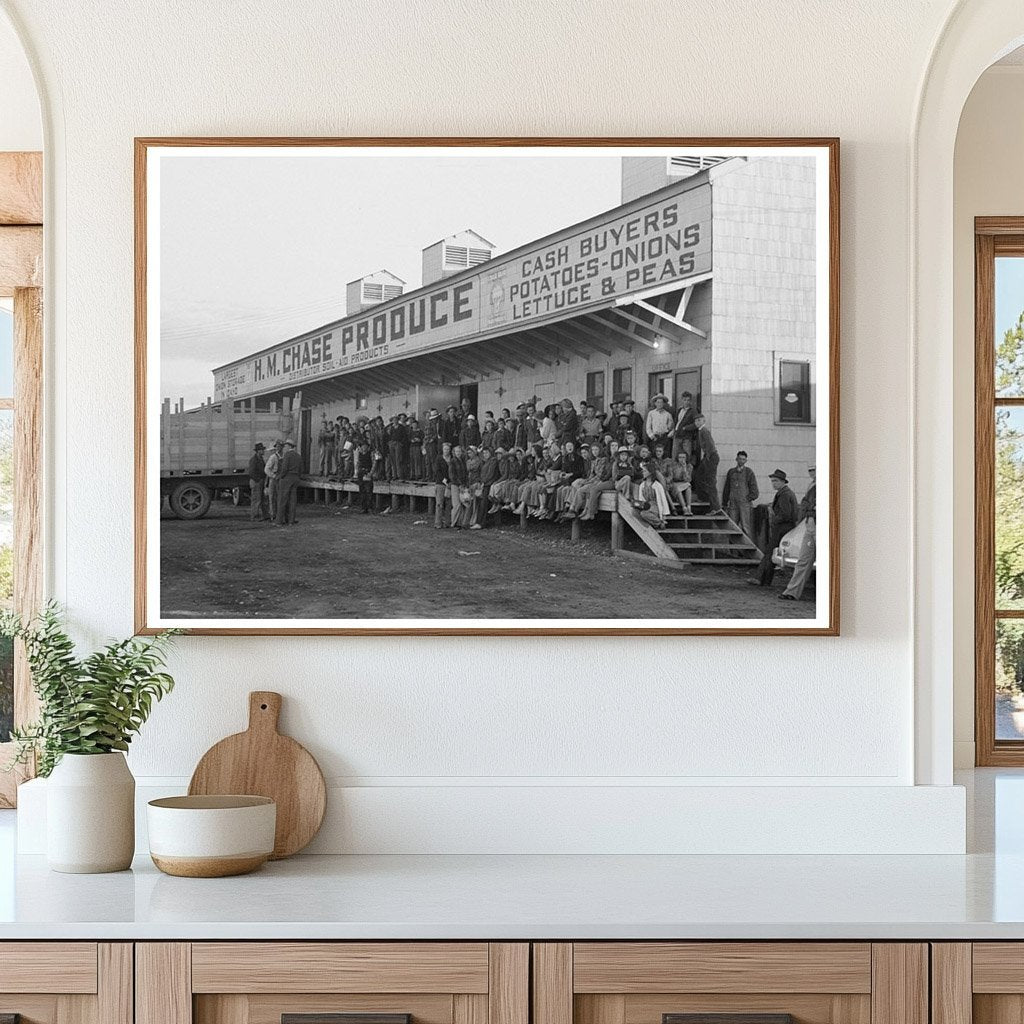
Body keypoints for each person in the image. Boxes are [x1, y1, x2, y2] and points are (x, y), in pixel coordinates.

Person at [752, 468, 799, 587]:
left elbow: (785, 514)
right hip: (785, 527)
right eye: (772, 481)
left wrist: (774, 520)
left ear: (783, 482)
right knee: (772, 552)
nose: (773, 483)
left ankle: (761, 578)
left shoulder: (784, 494)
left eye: (776, 481)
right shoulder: (785, 493)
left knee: (770, 552)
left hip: (783, 527)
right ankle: (764, 579)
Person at [781, 466, 817, 601]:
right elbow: (805, 503)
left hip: (819, 523)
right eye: (811, 471)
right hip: (810, 523)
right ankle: (792, 591)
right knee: (803, 559)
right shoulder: (813, 488)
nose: (812, 473)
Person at [722, 450, 759, 539]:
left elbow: (755, 491)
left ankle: (747, 551)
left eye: (743, 459)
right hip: (733, 504)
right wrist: (724, 502)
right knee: (732, 527)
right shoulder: (731, 472)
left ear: (746, 461)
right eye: (739, 459)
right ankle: (733, 551)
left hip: (744, 504)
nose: (741, 461)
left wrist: (747, 499)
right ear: (736, 459)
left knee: (746, 527)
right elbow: (727, 488)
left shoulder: (749, 472)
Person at [691, 414, 721, 511]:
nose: (697, 422)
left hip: (711, 457)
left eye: (699, 420)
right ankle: (703, 497)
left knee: (711, 482)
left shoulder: (704, 431)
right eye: (696, 421)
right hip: (707, 457)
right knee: (698, 476)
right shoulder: (700, 431)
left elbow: (710, 445)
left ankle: (716, 508)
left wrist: (708, 457)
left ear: (704, 421)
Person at [274, 439, 303, 526]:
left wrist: (280, 477)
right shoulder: (298, 456)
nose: (284, 448)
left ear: (289, 446)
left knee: (282, 500)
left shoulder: (287, 455)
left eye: (285, 446)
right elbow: (301, 469)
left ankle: (279, 521)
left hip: (286, 479)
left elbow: (284, 468)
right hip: (295, 478)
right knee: (292, 501)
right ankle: (291, 521)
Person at [448, 444, 472, 528]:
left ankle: (460, 522)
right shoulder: (452, 461)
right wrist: (459, 484)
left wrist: (464, 484)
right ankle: (453, 522)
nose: (458, 453)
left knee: (463, 504)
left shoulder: (462, 461)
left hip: (462, 485)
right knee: (456, 504)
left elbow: (465, 474)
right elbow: (452, 475)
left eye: (459, 451)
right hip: (455, 485)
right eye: (456, 451)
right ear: (454, 452)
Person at [664, 450, 693, 515]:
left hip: (684, 482)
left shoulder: (689, 466)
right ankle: (684, 508)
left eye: (683, 457)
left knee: (688, 486)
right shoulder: (673, 466)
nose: (681, 459)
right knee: (678, 488)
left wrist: (684, 469)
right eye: (680, 457)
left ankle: (689, 507)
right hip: (674, 483)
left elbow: (688, 479)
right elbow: (671, 477)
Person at [673, 391, 699, 462]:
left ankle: (687, 472)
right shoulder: (679, 410)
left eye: (688, 400)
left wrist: (686, 428)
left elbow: (697, 423)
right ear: (682, 400)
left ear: (690, 401)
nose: (686, 402)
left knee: (687, 456)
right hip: (677, 435)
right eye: (685, 400)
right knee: (675, 456)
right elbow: (676, 422)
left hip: (686, 437)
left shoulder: (693, 411)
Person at [247, 443, 268, 522]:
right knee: (256, 499)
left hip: (258, 481)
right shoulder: (254, 460)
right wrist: (258, 480)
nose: (263, 451)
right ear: (258, 451)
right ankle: (254, 516)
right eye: (262, 450)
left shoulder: (259, 458)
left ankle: (264, 515)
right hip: (256, 481)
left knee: (261, 499)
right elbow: (251, 472)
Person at [433, 441, 452, 529]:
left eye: (448, 449)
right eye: (445, 449)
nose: (446, 451)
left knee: (448, 504)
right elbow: (437, 471)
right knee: (439, 503)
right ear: (442, 449)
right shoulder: (439, 458)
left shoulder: (452, 458)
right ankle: (438, 523)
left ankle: (447, 522)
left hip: (450, 483)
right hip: (440, 483)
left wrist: (450, 481)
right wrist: (444, 480)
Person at [264, 440, 283, 520]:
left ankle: (279, 514)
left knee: (280, 497)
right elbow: (266, 469)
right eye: (277, 446)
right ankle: (273, 515)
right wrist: (273, 476)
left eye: (280, 446)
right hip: (274, 479)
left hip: (281, 479)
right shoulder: (273, 457)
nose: (279, 448)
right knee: (272, 497)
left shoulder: (284, 456)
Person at [354, 440, 374, 514]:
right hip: (361, 473)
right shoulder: (360, 454)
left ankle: (369, 508)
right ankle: (363, 507)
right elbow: (358, 463)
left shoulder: (370, 454)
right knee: (362, 490)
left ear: (367, 447)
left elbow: (374, 464)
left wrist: (371, 473)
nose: (364, 447)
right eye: (362, 446)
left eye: (365, 446)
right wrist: (357, 471)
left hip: (368, 472)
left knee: (369, 491)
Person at [423, 408, 442, 482]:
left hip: (433, 444)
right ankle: (429, 476)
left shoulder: (436, 425)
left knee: (433, 460)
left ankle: (434, 476)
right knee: (427, 461)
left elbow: (436, 434)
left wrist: (432, 439)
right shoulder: (427, 425)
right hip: (427, 444)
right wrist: (424, 443)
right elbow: (425, 435)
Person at [408, 416, 425, 481]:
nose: (414, 425)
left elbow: (423, 438)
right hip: (412, 447)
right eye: (413, 424)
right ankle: (412, 474)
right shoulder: (410, 431)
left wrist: (419, 440)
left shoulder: (420, 431)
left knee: (417, 460)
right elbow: (408, 438)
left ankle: (418, 474)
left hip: (418, 446)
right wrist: (411, 440)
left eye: (415, 424)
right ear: (412, 425)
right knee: (412, 460)